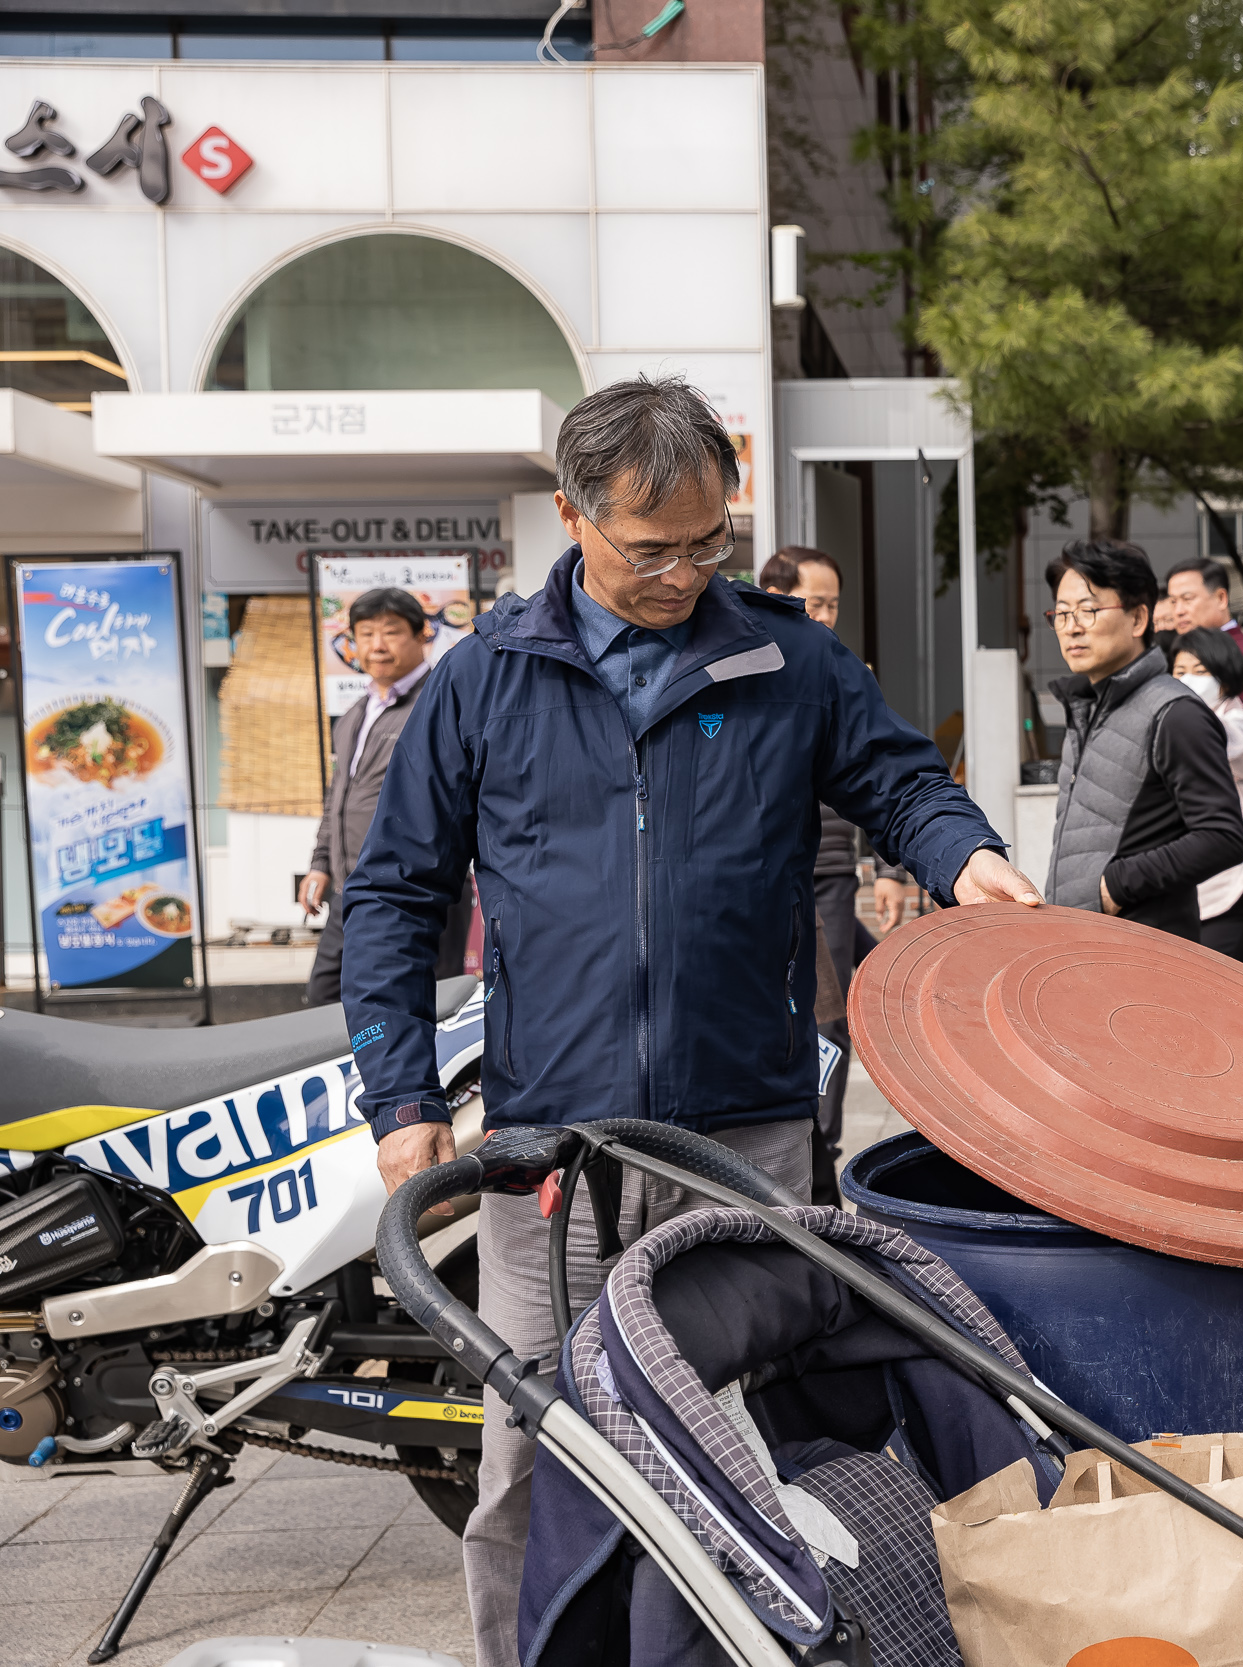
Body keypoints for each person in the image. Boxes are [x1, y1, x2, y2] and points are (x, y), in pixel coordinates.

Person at [338, 374, 1040, 1667]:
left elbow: (899, 779)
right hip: (554, 1146)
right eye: (649, 547)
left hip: (750, 1134)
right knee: (534, 1454)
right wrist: (403, 1102)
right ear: (571, 516)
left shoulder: (784, 655)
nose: (683, 571)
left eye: (708, 540)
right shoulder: (485, 680)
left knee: (765, 1442)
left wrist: (964, 853)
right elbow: (393, 894)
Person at [757, 545, 909, 1201]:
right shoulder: (736, 665)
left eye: (831, 606)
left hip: (828, 870)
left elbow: (883, 773)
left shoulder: (844, 671)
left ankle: (824, 1147)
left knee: (829, 1016)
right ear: (772, 593)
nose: (822, 618)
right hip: (763, 870)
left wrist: (889, 867)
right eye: (812, 603)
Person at [1043, 539, 1243, 940]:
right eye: (1062, 614)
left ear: (1139, 619)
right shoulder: (1084, 707)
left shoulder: (1175, 713)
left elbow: (1223, 837)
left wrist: (1114, 887)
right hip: (1081, 942)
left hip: (1140, 949)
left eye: (1088, 610)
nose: (1072, 627)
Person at [300, 587, 470, 1005]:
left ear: (422, 635)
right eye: (365, 634)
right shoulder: (356, 713)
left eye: (391, 632)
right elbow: (337, 797)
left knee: (419, 1008)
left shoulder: (442, 702)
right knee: (324, 1001)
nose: (377, 645)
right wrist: (321, 864)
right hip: (351, 890)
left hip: (419, 891)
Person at [1172, 625, 1243, 970]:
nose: (1189, 679)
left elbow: (1213, 736)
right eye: (1179, 672)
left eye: (1201, 671)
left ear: (1225, 675)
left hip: (1239, 887)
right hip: (1198, 891)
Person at [1165, 557, 1243, 718]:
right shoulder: (1190, 651)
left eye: (1187, 599)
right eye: (1173, 601)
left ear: (1221, 598)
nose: (1178, 611)